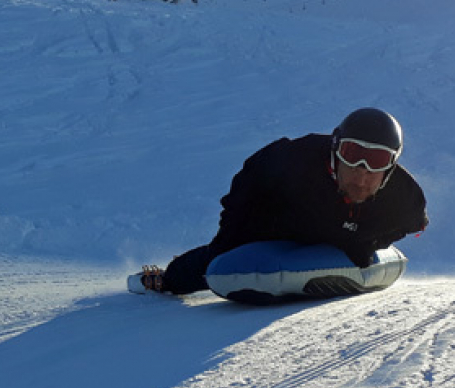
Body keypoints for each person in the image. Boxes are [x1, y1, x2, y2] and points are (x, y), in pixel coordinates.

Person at [129, 108, 429, 295]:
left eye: (376, 163)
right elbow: (244, 188)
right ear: (336, 150)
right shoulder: (294, 159)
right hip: (282, 220)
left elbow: (411, 224)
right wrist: (227, 240)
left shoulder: (405, 198)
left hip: (338, 233)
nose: (362, 175)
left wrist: (363, 243)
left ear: (390, 169)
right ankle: (165, 279)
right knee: (215, 260)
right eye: (353, 156)